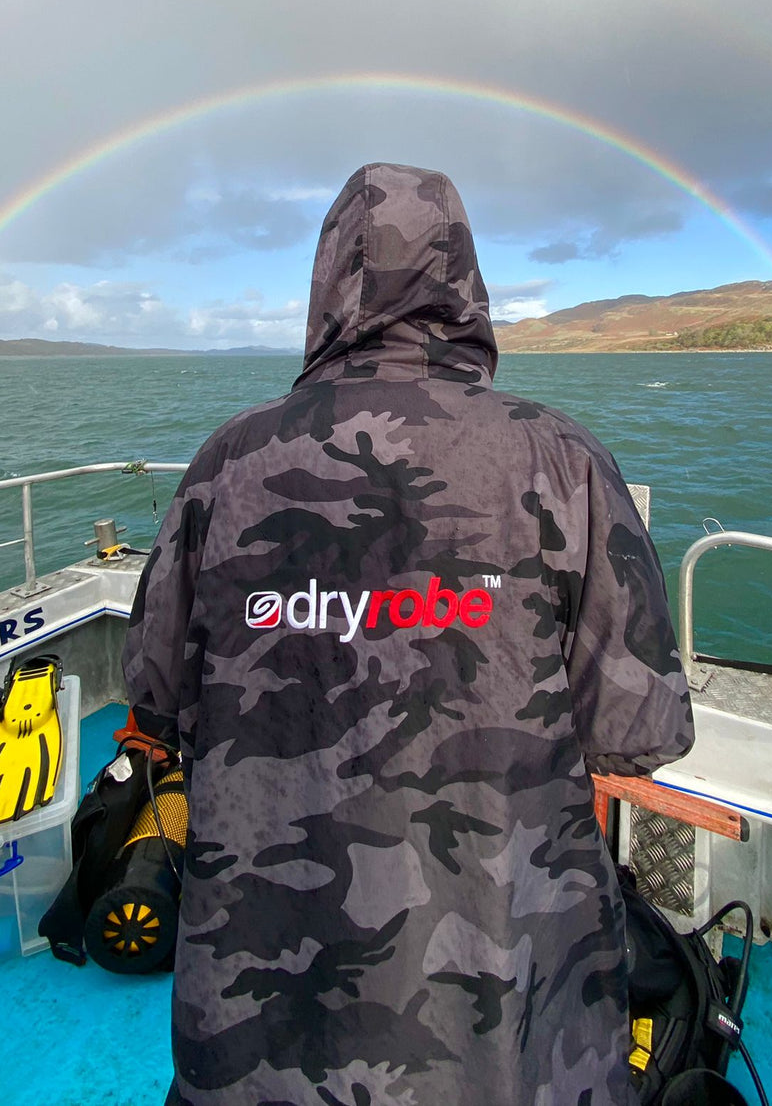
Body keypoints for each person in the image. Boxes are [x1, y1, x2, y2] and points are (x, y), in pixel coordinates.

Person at [123, 162, 694, 1106]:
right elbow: (640, 730)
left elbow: (153, 692)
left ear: (327, 284)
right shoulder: (564, 459)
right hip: (511, 1051)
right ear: (464, 285)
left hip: (253, 1049)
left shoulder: (224, 464)